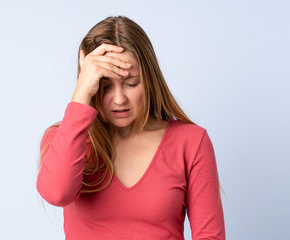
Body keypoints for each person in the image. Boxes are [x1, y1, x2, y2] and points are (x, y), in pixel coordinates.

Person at [36, 15, 225, 240]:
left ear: (149, 80)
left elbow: (209, 236)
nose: (119, 99)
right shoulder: (64, 138)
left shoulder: (191, 142)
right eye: (105, 86)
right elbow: (57, 194)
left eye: (131, 83)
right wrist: (80, 97)